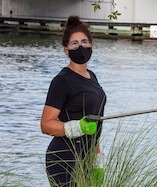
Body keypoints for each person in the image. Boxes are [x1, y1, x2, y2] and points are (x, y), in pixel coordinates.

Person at [41, 16, 106, 186]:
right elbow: (46, 125)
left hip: (86, 159)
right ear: (66, 50)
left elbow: (95, 124)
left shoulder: (92, 77)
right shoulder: (62, 81)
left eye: (84, 41)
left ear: (92, 45)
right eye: (74, 43)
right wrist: (77, 126)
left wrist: (97, 160)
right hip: (63, 159)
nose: (81, 47)